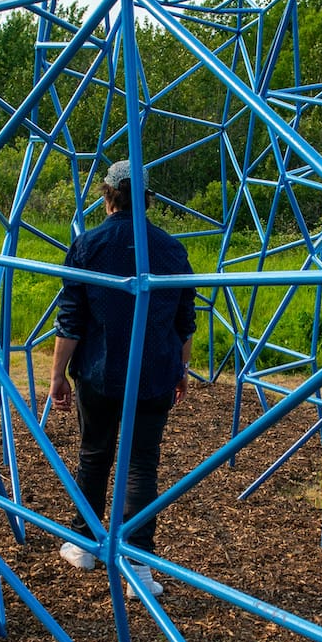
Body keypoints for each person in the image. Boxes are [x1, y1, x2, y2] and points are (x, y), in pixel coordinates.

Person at [48, 159, 197, 598]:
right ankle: (139, 565)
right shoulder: (170, 250)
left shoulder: (89, 245)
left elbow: (71, 321)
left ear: (107, 194)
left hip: (99, 374)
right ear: (147, 199)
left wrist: (57, 375)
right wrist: (181, 370)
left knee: (95, 454)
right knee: (141, 464)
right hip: (153, 375)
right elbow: (184, 321)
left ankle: (84, 544)